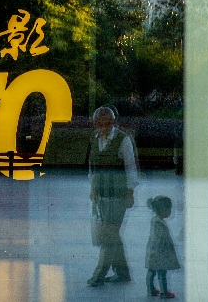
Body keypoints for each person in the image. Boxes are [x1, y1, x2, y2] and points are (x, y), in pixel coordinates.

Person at [87, 106, 138, 287]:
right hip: (101, 195)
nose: (104, 126)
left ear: (113, 122)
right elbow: (93, 167)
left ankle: (99, 275)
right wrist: (93, 189)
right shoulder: (95, 139)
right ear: (96, 124)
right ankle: (123, 273)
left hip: (118, 196)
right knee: (113, 235)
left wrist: (130, 193)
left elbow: (130, 167)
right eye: (100, 123)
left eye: (108, 122)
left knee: (109, 235)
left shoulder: (123, 139)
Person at [145, 195, 180, 299]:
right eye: (169, 209)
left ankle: (150, 290)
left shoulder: (155, 220)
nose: (170, 212)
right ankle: (164, 292)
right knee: (162, 273)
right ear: (163, 210)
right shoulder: (160, 223)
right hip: (160, 254)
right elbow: (160, 239)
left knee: (151, 271)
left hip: (152, 252)